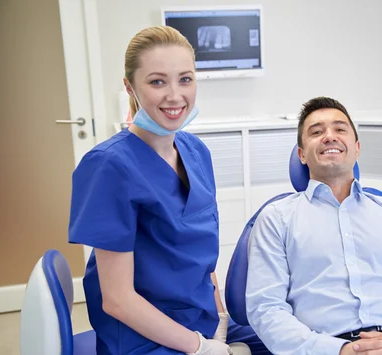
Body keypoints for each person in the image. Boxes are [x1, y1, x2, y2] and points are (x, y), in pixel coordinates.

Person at [69, 26, 269, 355]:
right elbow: (118, 300)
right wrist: (200, 347)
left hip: (200, 318)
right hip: (143, 336)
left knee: (291, 342)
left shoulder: (196, 152)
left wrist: (219, 320)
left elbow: (202, 260)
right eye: (157, 81)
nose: (175, 96)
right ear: (130, 86)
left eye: (185, 79)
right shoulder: (108, 167)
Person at [245, 96, 382, 355]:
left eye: (340, 129)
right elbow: (266, 309)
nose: (329, 136)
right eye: (316, 132)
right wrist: (340, 351)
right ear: (301, 154)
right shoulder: (276, 219)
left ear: (357, 148)